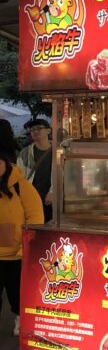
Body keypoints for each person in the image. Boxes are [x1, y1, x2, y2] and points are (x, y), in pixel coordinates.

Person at [0, 133, 45, 337]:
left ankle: (20, 317)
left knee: (16, 294)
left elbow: (35, 218)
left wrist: (24, 248)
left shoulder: (21, 186)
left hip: (16, 256)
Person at [17, 118, 52, 221]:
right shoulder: (25, 153)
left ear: (48, 130)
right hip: (32, 199)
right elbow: (19, 177)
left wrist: (53, 191)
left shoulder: (59, 151)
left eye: (39, 128)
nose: (35, 131)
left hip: (53, 198)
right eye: (32, 130)